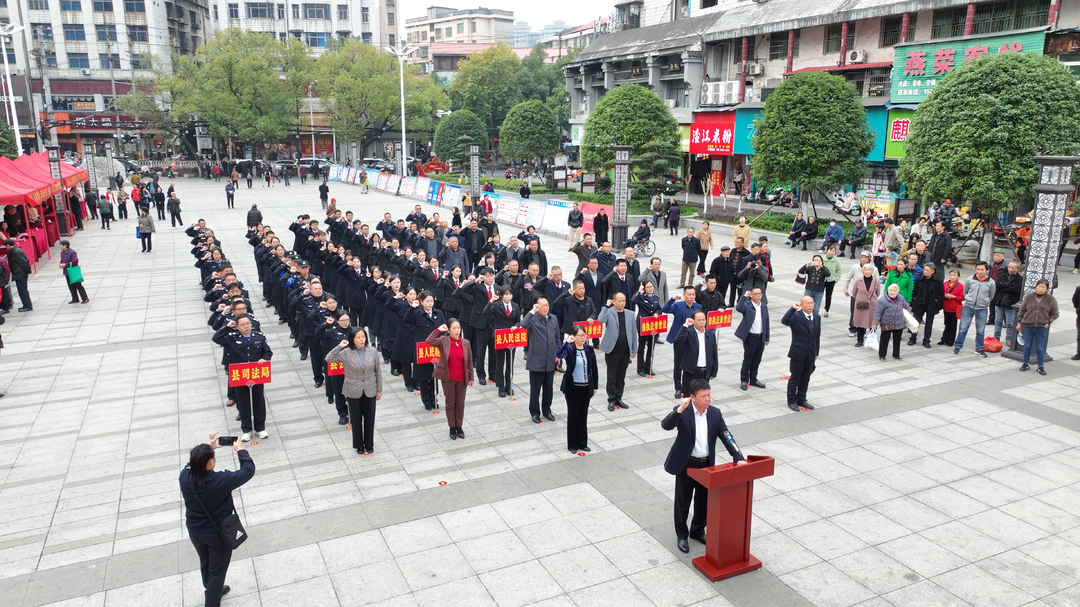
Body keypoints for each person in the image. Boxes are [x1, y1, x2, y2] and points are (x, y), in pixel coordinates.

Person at [661, 379, 746, 554]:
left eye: (709, 395)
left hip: (706, 464)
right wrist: (679, 409)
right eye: (703, 396)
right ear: (692, 397)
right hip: (686, 464)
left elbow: (726, 435)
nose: (708, 399)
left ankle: (697, 530)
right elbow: (666, 425)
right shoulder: (683, 412)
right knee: (683, 502)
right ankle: (682, 535)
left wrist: (737, 456)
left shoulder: (715, 413)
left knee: (703, 501)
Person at [179, 433, 254, 607]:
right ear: (210, 463)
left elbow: (192, 464)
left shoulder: (184, 477)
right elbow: (248, 471)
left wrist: (210, 447)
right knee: (217, 573)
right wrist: (240, 451)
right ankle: (213, 594)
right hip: (217, 534)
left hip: (195, 531)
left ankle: (214, 589)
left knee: (206, 562)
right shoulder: (219, 481)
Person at [212, 315, 273, 442]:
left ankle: (260, 428)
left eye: (248, 323)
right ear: (237, 326)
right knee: (243, 402)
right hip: (240, 375)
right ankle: (246, 429)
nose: (246, 326)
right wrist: (226, 327)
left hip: (256, 373)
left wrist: (265, 359)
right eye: (243, 324)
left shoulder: (259, 337)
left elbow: (268, 352)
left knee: (258, 400)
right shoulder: (231, 338)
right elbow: (216, 338)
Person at [324, 329, 382, 453]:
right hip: (353, 389)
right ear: (352, 339)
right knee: (355, 420)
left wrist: (379, 390)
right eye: (358, 338)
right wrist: (340, 346)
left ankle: (369, 444)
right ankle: (358, 445)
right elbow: (329, 358)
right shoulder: (346, 353)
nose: (361, 340)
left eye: (363, 337)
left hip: (370, 388)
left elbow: (378, 372)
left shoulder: (372, 352)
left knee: (369, 419)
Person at [426, 321, 474, 439]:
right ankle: (452, 427)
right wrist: (438, 330)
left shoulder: (466, 343)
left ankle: (459, 426)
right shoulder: (443, 341)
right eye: (454, 328)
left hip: (462, 378)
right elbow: (429, 341)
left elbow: (469, 361)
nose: (457, 331)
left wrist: (471, 377)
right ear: (448, 330)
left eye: (458, 328)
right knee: (450, 403)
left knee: (460, 404)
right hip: (449, 378)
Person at [555, 325, 598, 453]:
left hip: (586, 387)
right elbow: (558, 354)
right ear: (574, 336)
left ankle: (582, 442)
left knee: (583, 416)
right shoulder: (569, 349)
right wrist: (566, 342)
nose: (583, 337)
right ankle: (572, 444)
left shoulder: (589, 349)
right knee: (573, 415)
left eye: (584, 335)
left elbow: (594, 369)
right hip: (573, 387)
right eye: (580, 335)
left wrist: (595, 385)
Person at [520, 297, 560, 424]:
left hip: (550, 359)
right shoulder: (532, 318)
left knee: (548, 389)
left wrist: (558, 354)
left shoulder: (553, 318)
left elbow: (558, 338)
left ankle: (547, 410)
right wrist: (532, 311)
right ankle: (535, 412)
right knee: (535, 390)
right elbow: (523, 325)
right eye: (542, 306)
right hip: (536, 360)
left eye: (547, 305)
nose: (545, 308)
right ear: (536, 306)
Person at [597, 292, 636, 411]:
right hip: (612, 350)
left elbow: (633, 332)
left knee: (621, 376)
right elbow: (600, 320)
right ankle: (611, 399)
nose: (622, 303)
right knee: (612, 376)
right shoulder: (609, 312)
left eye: (624, 300)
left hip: (625, 350)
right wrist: (606, 306)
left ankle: (619, 397)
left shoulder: (629, 314)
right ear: (613, 301)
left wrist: (634, 349)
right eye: (620, 301)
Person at [781, 296, 821, 412]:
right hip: (798, 352)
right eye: (807, 303)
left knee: (806, 377)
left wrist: (816, 352)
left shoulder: (817, 317)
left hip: (810, 353)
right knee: (795, 377)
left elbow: (817, 336)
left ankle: (802, 398)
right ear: (802, 305)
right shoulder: (796, 316)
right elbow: (785, 321)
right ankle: (792, 400)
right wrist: (792, 309)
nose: (810, 305)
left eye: (812, 303)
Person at [1016, 279, 1059, 375]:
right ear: (1036, 287)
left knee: (1040, 347)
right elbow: (1022, 311)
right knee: (1027, 345)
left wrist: (1048, 322)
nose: (1040, 289)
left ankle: (1040, 366)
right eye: (1039, 286)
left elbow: (1055, 314)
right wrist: (1019, 322)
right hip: (1027, 325)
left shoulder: (1051, 299)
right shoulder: (1028, 297)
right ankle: (1025, 363)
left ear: (1046, 289)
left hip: (1041, 326)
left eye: (1043, 287)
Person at [954, 261, 996, 357]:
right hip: (968, 306)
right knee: (963, 328)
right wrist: (969, 299)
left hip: (982, 308)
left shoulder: (991, 282)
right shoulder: (970, 279)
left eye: (982, 270)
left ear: (987, 270)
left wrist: (985, 302)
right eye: (978, 269)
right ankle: (958, 346)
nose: (980, 272)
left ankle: (979, 348)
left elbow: (991, 295)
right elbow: (966, 291)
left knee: (980, 330)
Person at [673, 310, 718, 398]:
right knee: (689, 396)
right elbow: (678, 340)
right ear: (693, 321)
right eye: (699, 320)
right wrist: (685, 326)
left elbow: (714, 353)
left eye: (703, 320)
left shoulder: (710, 334)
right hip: (691, 371)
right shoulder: (689, 333)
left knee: (703, 395)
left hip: (705, 372)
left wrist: (714, 370)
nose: (702, 322)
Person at [735, 287, 768, 391]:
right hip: (750, 336)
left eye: (760, 294)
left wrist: (766, 337)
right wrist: (744, 296)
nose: (758, 296)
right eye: (756, 294)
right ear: (751, 295)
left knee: (757, 359)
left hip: (760, 336)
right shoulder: (747, 305)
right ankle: (744, 380)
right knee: (748, 359)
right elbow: (739, 308)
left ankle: (753, 379)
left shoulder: (763, 306)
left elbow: (766, 322)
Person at [873, 283, 911, 361]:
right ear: (888, 291)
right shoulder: (882, 300)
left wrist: (910, 315)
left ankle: (896, 354)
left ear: (897, 292)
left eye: (894, 291)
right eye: (890, 291)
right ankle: (882, 355)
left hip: (899, 322)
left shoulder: (901, 298)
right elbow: (878, 312)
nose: (892, 292)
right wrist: (875, 322)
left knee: (897, 340)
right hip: (886, 323)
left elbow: (907, 307)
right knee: (884, 340)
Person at [908, 263, 943, 347]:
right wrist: (914, 300)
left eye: (927, 270)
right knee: (916, 322)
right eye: (924, 270)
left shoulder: (938, 281)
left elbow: (941, 294)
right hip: (919, 303)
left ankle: (926, 340)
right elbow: (914, 291)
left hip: (931, 304)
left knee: (929, 324)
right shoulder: (919, 279)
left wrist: (937, 303)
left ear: (933, 271)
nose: (925, 272)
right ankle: (913, 338)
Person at [992, 261, 1022, 347]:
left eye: (1013, 268)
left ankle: (1009, 338)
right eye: (1009, 267)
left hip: (1010, 305)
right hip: (999, 303)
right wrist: (1008, 285)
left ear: (1017, 269)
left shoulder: (1019, 279)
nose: (1010, 269)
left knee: (1010, 324)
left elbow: (1015, 290)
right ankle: (996, 337)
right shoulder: (1003, 276)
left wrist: (1003, 286)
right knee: (998, 322)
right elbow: (996, 285)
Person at [851, 264, 881, 347]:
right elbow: (854, 292)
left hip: (872, 305)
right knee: (860, 322)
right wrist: (859, 299)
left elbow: (877, 293)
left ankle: (872, 339)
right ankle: (859, 340)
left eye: (869, 270)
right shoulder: (858, 281)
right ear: (863, 271)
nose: (867, 272)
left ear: (872, 271)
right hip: (861, 305)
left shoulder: (876, 281)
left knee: (873, 323)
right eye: (865, 270)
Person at [5, 240, 32, 312]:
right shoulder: (17, 250)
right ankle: (26, 305)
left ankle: (27, 305)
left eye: (6, 246)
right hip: (20, 273)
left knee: (22, 290)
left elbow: (24, 262)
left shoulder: (15, 252)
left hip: (20, 273)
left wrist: (27, 271)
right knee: (22, 290)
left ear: (8, 245)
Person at [940, 269, 965, 346]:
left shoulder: (960, 286)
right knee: (946, 324)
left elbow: (962, 297)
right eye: (951, 275)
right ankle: (944, 339)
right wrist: (944, 295)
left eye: (954, 275)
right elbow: (940, 292)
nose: (952, 277)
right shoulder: (945, 284)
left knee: (953, 325)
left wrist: (954, 297)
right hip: (946, 307)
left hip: (954, 308)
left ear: (958, 277)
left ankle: (951, 341)